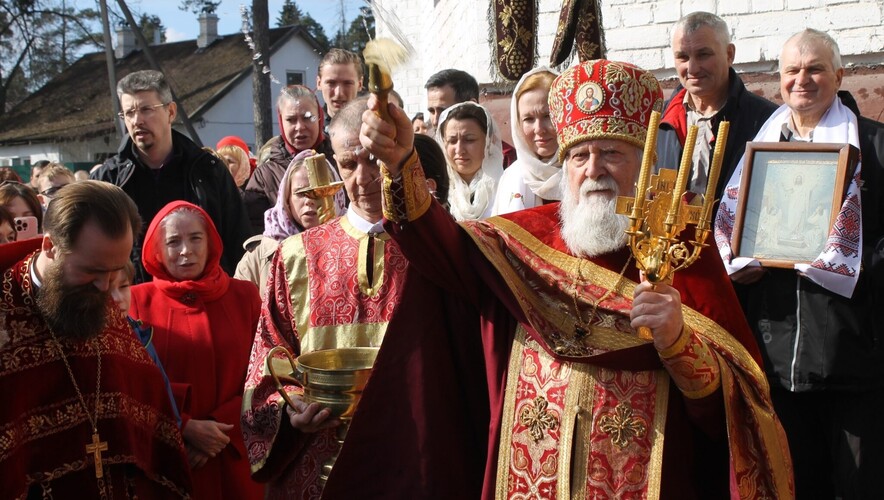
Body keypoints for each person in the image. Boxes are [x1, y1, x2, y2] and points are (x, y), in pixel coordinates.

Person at [362, 58, 793, 499]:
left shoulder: (683, 251)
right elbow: (441, 252)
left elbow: (731, 415)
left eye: (611, 154)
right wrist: (401, 163)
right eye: (580, 156)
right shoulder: (524, 241)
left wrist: (678, 340)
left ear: (645, 161)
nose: (594, 169)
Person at [241, 97, 488, 499]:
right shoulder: (296, 254)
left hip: (418, 460)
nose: (363, 178)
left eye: (374, 160)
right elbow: (270, 352)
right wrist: (292, 407)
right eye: (348, 164)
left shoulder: (437, 248)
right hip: (321, 464)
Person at [714, 29, 884, 500]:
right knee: (793, 486)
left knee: (858, 488)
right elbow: (729, 228)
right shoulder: (757, 149)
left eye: (815, 69)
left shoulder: (873, 146)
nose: (802, 80)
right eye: (792, 70)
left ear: (839, 76)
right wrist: (739, 263)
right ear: (779, 79)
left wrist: (850, 262)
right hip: (777, 360)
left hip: (852, 359)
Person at [0, 180, 191, 498]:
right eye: (92, 271)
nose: (105, 288)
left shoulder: (96, 296)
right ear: (50, 246)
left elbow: (145, 400)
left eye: (115, 271)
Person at [130, 201, 263, 499]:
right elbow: (134, 383)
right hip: (171, 462)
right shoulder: (136, 301)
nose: (185, 250)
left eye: (195, 238)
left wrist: (219, 428)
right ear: (156, 250)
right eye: (173, 242)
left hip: (236, 455)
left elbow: (263, 372)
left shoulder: (245, 296)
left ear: (211, 243)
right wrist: (184, 426)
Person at [92, 69, 250, 283]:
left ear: (171, 111)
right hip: (135, 297)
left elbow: (238, 242)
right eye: (129, 113)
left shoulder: (207, 171)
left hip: (203, 295)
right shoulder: (108, 180)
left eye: (146, 109)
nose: (137, 120)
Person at [658, 12, 778, 198]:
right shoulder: (658, 119)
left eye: (703, 55)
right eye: (683, 57)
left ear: (729, 54)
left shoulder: (767, 121)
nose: (692, 68)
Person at [235, 149, 345, 296]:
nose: (309, 201)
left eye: (319, 192)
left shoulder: (357, 243)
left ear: (336, 195)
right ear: (286, 198)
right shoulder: (260, 256)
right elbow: (240, 305)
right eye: (301, 193)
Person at [244, 85, 336, 234]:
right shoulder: (265, 176)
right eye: (291, 120)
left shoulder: (341, 162)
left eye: (307, 117)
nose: (300, 127)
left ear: (319, 117)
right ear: (281, 122)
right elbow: (254, 231)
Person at [492, 67, 561, 215]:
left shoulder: (587, 172)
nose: (539, 129)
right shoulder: (511, 177)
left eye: (548, 116)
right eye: (528, 119)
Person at [425, 68, 517, 166]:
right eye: (432, 111)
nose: (435, 121)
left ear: (471, 105)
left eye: (443, 111)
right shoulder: (427, 157)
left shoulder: (505, 159)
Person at [437, 101, 503, 220]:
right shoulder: (436, 190)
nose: (459, 150)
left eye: (469, 140)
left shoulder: (504, 186)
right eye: (452, 141)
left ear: (488, 142)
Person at [316, 48, 364, 130]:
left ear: (360, 84)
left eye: (347, 83)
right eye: (331, 83)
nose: (339, 93)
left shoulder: (372, 129)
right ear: (319, 83)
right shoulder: (308, 130)